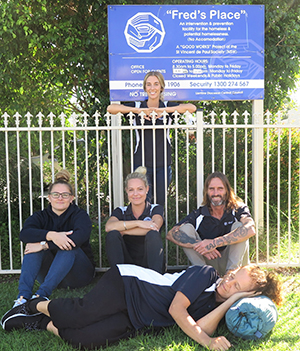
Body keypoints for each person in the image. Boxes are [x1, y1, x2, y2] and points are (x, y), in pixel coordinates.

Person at [1, 263, 283, 351]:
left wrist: (230, 303)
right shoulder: (207, 274)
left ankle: (39, 322)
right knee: (80, 313)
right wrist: (208, 342)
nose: (229, 283)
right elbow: (177, 311)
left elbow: (201, 326)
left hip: (139, 317)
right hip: (129, 285)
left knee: (84, 339)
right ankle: (34, 304)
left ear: (248, 295)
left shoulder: (224, 305)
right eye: (233, 276)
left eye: (237, 286)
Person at [107, 71, 197, 207]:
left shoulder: (166, 105)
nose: (152, 88)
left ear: (161, 87)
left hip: (163, 163)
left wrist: (163, 111)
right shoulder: (137, 107)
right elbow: (111, 108)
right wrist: (139, 112)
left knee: (160, 202)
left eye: (156, 84)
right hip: (141, 163)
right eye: (149, 84)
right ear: (145, 88)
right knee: (142, 202)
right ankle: (142, 227)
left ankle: (159, 228)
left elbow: (192, 108)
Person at [12, 169, 95, 308]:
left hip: (79, 275)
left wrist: (45, 245)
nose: (60, 198)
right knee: (33, 245)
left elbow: (79, 237)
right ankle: (23, 297)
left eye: (65, 195)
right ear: (49, 197)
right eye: (55, 194)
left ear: (72, 198)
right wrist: (51, 235)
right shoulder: (41, 216)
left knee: (68, 245)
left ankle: (41, 295)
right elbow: (25, 234)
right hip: (49, 275)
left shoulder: (80, 215)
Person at [167, 172, 256, 276]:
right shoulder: (199, 214)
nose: (215, 193)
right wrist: (201, 245)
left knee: (240, 227)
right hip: (209, 264)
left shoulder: (237, 209)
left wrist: (214, 243)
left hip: (235, 264)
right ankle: (206, 276)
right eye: (211, 189)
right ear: (206, 191)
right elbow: (172, 233)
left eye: (220, 188)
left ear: (227, 190)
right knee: (185, 229)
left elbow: (250, 228)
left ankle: (230, 277)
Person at [105, 166, 165, 274]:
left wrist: (123, 230)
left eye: (140, 189)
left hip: (149, 263)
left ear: (147, 189)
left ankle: (155, 281)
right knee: (112, 235)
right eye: (131, 190)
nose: (135, 194)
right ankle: (118, 277)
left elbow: (154, 227)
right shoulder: (120, 211)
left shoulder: (155, 209)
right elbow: (109, 227)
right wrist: (139, 223)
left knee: (153, 234)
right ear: (126, 191)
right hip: (127, 262)